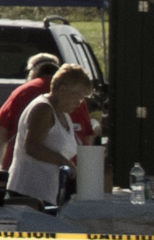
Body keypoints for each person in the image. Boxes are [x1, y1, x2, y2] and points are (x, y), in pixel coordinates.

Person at [8, 63, 93, 209]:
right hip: (29, 192)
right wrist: (65, 162)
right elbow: (32, 147)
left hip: (48, 193)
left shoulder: (64, 115)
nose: (79, 103)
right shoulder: (43, 109)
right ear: (63, 90)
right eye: (78, 97)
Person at [0, 52, 59, 199]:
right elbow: (87, 137)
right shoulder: (73, 94)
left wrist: (0, 167)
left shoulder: (23, 92)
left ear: (33, 71)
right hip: (64, 175)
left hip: (22, 178)